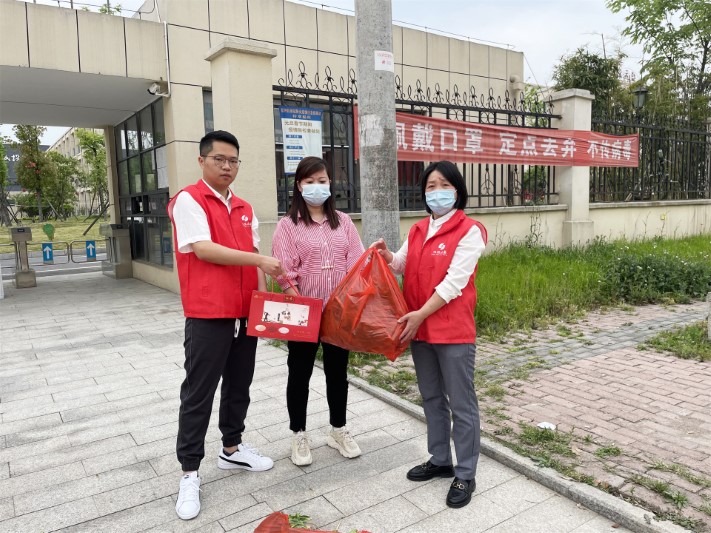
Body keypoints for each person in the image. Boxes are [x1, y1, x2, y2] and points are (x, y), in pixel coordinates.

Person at [168, 130, 283, 520]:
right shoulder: (189, 200)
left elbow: (254, 255)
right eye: (219, 159)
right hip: (208, 314)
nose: (227, 166)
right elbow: (204, 249)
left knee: (239, 384)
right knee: (198, 393)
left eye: (233, 160)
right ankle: (189, 472)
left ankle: (232, 449)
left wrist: (263, 304)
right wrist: (259, 261)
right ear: (202, 161)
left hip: (244, 312)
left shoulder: (245, 207)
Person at [372, 160, 487, 509]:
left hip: (452, 331)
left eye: (444, 185)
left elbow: (454, 282)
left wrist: (420, 314)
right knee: (432, 397)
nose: (437, 192)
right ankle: (440, 459)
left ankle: (465, 473)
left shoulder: (470, 231)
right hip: (420, 330)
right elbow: (404, 264)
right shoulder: (419, 229)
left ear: (457, 190)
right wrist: (387, 256)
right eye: (430, 187)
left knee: (461, 403)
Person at [272, 156, 365, 467]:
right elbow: (285, 273)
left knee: (338, 373)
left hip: (338, 312)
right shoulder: (288, 225)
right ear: (299, 185)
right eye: (310, 181)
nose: (317, 186)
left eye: (322, 181)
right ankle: (298, 433)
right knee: (299, 373)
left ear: (329, 184)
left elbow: (356, 264)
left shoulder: (344, 222)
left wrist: (344, 303)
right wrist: (304, 307)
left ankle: (338, 429)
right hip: (304, 312)